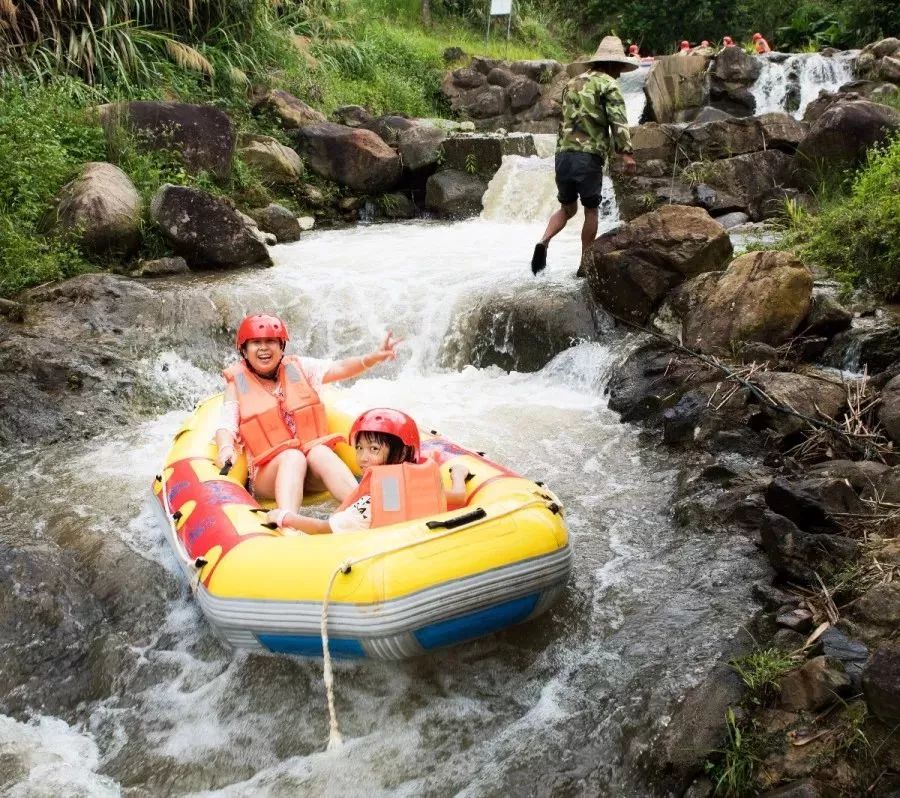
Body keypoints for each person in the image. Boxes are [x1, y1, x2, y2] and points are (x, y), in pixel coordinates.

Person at [214, 314, 402, 527]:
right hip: (269, 472)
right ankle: (287, 522)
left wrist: (373, 358)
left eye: (271, 341)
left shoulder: (299, 367)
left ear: (281, 346)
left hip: (311, 473)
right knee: (292, 456)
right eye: (256, 342)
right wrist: (225, 448)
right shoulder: (237, 384)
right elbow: (226, 425)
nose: (264, 348)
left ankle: (365, 508)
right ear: (244, 350)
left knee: (320, 451)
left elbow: (338, 368)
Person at [531, 35, 637, 275]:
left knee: (567, 209)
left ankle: (544, 240)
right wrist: (626, 153)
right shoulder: (608, 85)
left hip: (563, 156)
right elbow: (617, 120)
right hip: (587, 157)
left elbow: (565, 119)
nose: (620, 72)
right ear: (611, 64)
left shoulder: (571, 83)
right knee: (591, 209)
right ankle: (584, 264)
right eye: (619, 67)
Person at [276, 408, 471, 534]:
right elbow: (458, 496)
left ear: (402, 451)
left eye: (374, 449)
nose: (362, 457)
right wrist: (458, 474)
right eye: (359, 448)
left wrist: (286, 517)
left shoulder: (369, 505)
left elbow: (322, 528)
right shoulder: (418, 488)